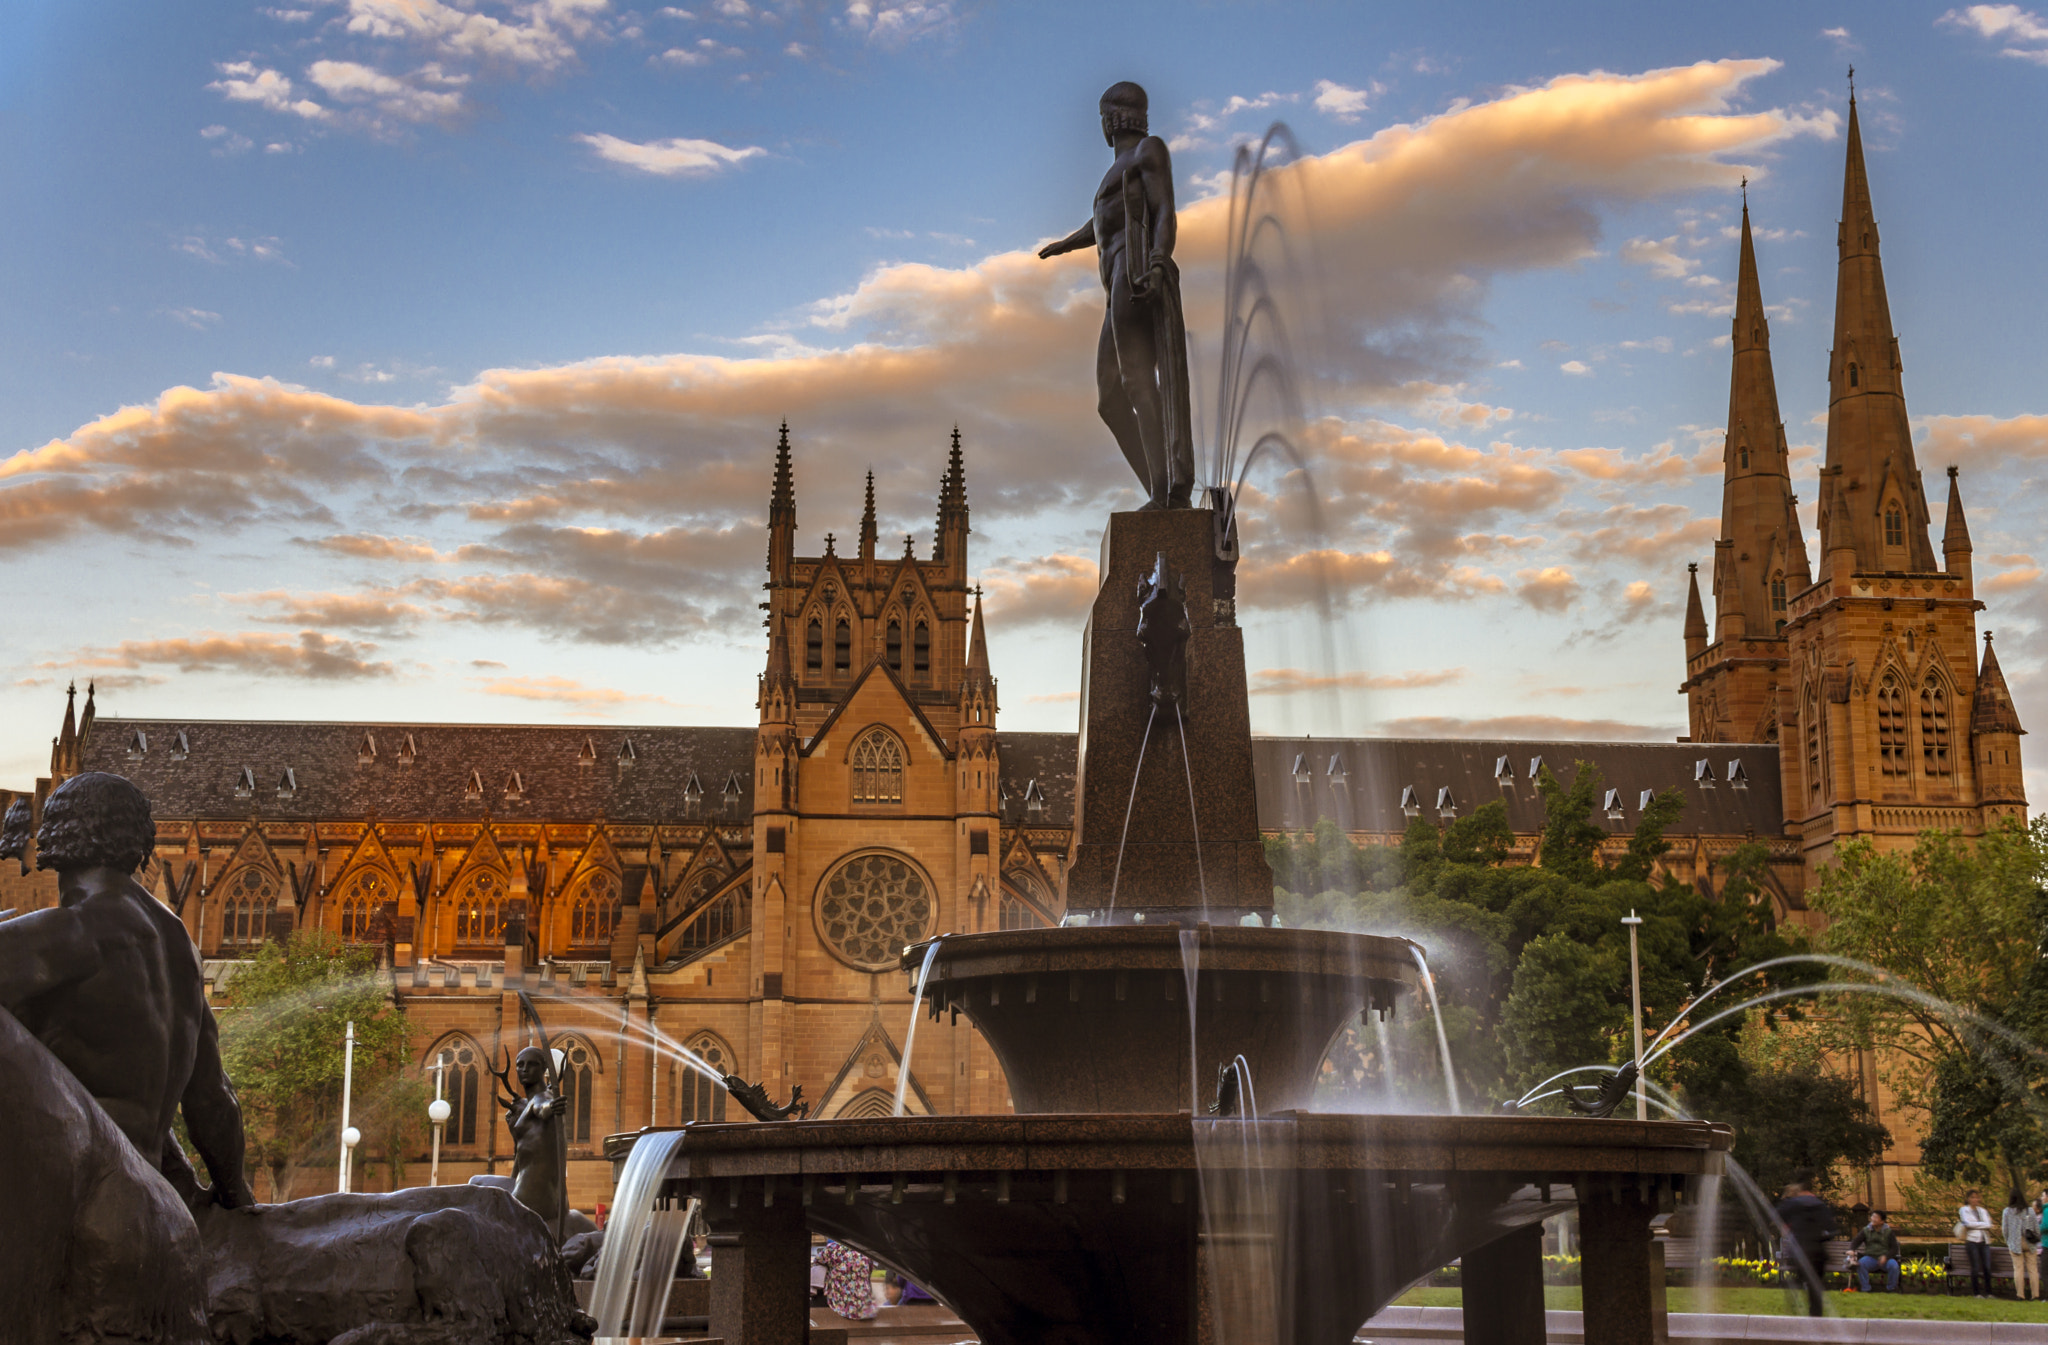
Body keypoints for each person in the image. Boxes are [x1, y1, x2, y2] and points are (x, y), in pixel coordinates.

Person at [0, 771, 251, 1209]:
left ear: (55, 836)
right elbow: (212, 1099)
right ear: (140, 843)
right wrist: (237, 1196)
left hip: (70, 1202)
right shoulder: (181, 948)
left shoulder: (76, 930)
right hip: (150, 1206)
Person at [1037, 81, 1196, 512]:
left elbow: (1164, 210)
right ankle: (1159, 491)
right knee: (1110, 398)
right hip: (1114, 285)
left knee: (1137, 381)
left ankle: (1168, 494)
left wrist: (1160, 260)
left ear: (1115, 117)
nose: (1103, 125)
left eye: (1105, 116)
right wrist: (1063, 245)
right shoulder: (1116, 170)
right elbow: (1101, 224)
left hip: (1135, 269)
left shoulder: (1149, 151)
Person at [1775, 1170, 1834, 1317]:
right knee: (1815, 1288)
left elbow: (1777, 1215)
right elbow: (1832, 1229)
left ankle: (1794, 1315)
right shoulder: (1820, 1205)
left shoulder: (1793, 1204)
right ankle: (1816, 1317)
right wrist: (1820, 1239)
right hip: (1818, 1253)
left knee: (1797, 1282)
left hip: (1800, 1252)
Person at [813, 1240, 878, 1321]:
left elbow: (817, 1261)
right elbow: (870, 1269)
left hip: (842, 1304)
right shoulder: (866, 1250)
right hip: (865, 1306)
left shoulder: (832, 1248)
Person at [1851, 1208, 1901, 1293]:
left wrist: (1886, 1257)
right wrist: (1852, 1250)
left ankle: (1891, 1288)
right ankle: (1866, 1289)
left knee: (1894, 1266)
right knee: (1861, 1264)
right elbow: (1856, 1241)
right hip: (1870, 1258)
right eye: (1872, 1216)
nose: (1873, 1219)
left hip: (1886, 1259)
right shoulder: (1866, 1230)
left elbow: (1894, 1248)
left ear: (1882, 1221)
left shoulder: (1889, 1232)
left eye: (1876, 1217)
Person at [2007, 1190, 2041, 1302]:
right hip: (2029, 1242)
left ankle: (2020, 1295)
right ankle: (2035, 1295)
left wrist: (2009, 1241)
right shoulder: (2030, 1210)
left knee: (2018, 1269)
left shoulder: (2007, 1212)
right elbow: (2036, 1228)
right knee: (2033, 1270)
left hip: (2015, 1243)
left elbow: (2004, 1230)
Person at [1962, 1189, 1996, 1298]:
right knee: (1975, 1267)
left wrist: (1977, 1224)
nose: (1975, 1199)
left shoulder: (1983, 1211)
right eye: (1972, 1197)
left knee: (1987, 1267)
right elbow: (1967, 1224)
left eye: (1976, 1197)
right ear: (1968, 1199)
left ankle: (1989, 1293)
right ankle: (1977, 1293)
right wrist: (1982, 1224)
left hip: (1984, 1241)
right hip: (1972, 1241)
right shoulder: (1964, 1210)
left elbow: (1989, 1224)